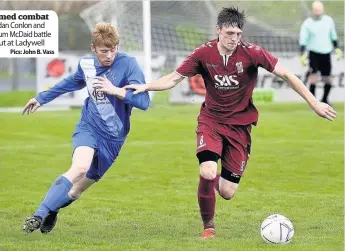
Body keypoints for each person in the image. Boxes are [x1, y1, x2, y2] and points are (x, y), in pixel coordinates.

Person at [124, 6, 337, 239]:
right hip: (211, 121)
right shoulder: (203, 54)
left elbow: (287, 74)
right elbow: (174, 78)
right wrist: (146, 86)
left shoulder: (252, 53)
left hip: (240, 126)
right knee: (207, 170)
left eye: (238, 34)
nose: (234, 39)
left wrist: (314, 102)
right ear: (218, 30)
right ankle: (209, 228)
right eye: (229, 34)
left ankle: (212, 179)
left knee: (227, 191)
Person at [22, 22, 150, 234]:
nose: (109, 55)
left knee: (75, 191)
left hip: (114, 139)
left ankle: (53, 210)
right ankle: (38, 214)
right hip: (89, 127)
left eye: (113, 49)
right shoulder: (87, 65)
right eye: (103, 51)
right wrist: (41, 98)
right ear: (93, 48)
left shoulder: (129, 65)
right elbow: (70, 82)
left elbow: (144, 103)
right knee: (79, 167)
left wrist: (116, 90)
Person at [299, 0, 343, 105]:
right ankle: (313, 102)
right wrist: (303, 54)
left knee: (327, 78)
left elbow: (333, 35)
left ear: (322, 10)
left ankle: (324, 99)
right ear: (313, 10)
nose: (317, 12)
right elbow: (303, 39)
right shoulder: (308, 23)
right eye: (315, 10)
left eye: (319, 9)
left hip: (326, 52)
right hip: (313, 52)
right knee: (313, 77)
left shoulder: (328, 21)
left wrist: (336, 48)